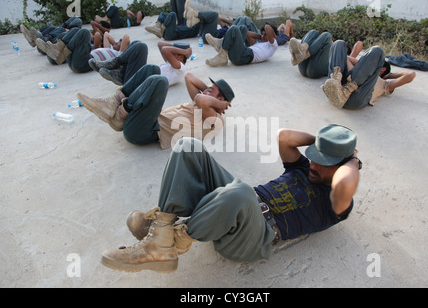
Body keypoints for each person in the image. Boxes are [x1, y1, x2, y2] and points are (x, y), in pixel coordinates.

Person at [99, 124, 361, 273]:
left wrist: (352, 159)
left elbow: (345, 183)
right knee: (188, 146)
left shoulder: (336, 204)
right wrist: (327, 144)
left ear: (342, 166)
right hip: (235, 206)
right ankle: (162, 234)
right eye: (315, 155)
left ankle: (172, 241)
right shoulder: (304, 167)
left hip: (254, 238)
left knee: (242, 192)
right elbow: (284, 137)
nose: (314, 163)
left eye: (324, 162)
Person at [76, 69, 234, 148]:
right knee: (151, 69)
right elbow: (189, 77)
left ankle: (120, 112)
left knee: (160, 82)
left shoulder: (214, 119)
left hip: (144, 132)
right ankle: (115, 104)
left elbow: (201, 99)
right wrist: (211, 92)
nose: (205, 90)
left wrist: (219, 105)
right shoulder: (202, 103)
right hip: (144, 120)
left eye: (210, 90)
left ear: (220, 100)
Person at [322, 40, 385, 109]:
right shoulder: (359, 67)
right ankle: (335, 81)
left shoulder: (383, 82)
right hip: (336, 90)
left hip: (355, 96)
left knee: (378, 50)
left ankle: (346, 90)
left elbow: (397, 81)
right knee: (338, 43)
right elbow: (358, 45)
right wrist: (356, 61)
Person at [205, 23, 278, 67]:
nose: (263, 35)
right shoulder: (258, 44)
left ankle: (222, 54)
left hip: (244, 57)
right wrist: (261, 36)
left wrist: (272, 35)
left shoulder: (273, 45)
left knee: (234, 28)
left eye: (266, 34)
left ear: (272, 35)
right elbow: (248, 33)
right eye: (263, 33)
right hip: (242, 54)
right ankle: (222, 45)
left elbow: (267, 27)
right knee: (243, 28)